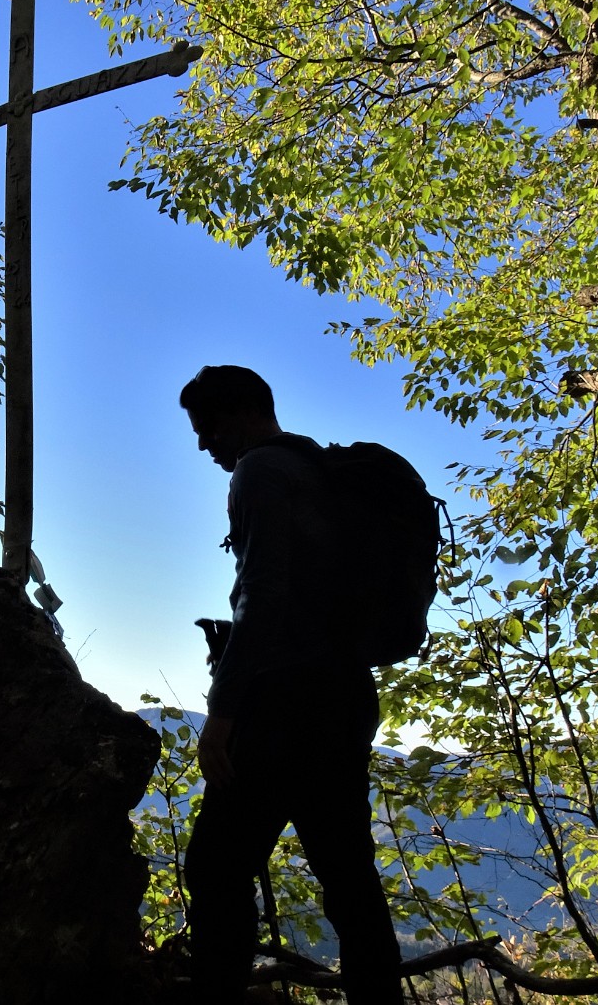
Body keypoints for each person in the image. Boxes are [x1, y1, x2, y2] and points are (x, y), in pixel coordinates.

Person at [180, 365, 403, 1004]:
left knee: (216, 868)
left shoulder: (260, 472)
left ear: (247, 412)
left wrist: (222, 714)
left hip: (285, 708)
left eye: (209, 427)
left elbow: (264, 595)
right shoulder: (319, 473)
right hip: (346, 696)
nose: (204, 445)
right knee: (349, 878)